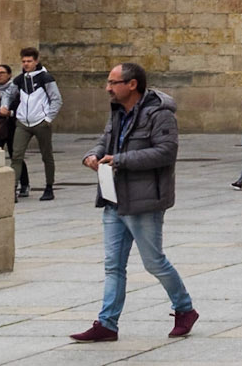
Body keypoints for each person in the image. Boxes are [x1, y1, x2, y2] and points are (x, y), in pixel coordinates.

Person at [73, 60, 197, 344]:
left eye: (112, 83)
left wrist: (120, 160)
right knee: (113, 265)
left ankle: (185, 309)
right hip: (114, 196)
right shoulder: (118, 112)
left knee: (154, 262)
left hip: (144, 199)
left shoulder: (160, 114)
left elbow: (166, 152)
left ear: (132, 84)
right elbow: (105, 141)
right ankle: (107, 324)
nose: (108, 89)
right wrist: (91, 155)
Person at [10, 46, 61, 201]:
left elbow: (56, 99)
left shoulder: (45, 78)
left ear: (36, 61)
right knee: (16, 155)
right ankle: (13, 188)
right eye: (24, 61)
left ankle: (49, 187)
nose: (26, 64)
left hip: (41, 122)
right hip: (23, 122)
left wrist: (48, 118)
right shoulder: (19, 79)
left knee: (46, 155)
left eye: (29, 61)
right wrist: (5, 106)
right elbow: (9, 94)